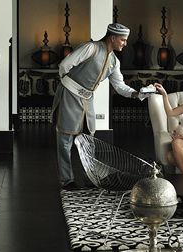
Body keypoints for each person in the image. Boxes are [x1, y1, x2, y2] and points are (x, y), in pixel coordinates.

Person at [52, 23, 147, 190]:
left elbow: (120, 87)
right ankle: (66, 180)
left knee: (89, 138)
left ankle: (89, 177)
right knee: (65, 139)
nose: (125, 44)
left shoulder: (114, 61)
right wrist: (68, 85)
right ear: (113, 38)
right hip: (69, 95)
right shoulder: (91, 48)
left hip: (88, 99)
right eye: (123, 40)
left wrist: (138, 94)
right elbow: (64, 65)